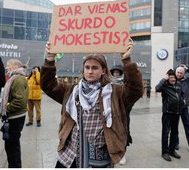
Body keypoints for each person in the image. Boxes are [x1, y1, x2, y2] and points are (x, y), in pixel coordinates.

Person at [41, 38, 143, 167]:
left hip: (99, 156)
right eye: (87, 67)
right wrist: (49, 60)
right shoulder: (71, 90)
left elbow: (136, 90)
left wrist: (127, 61)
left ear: (103, 71)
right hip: (70, 153)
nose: (90, 71)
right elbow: (48, 86)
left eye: (95, 68)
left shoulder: (115, 92)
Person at [0, 59, 28, 168]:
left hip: (15, 117)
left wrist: (4, 108)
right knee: (12, 145)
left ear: (15, 66)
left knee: (12, 146)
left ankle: (14, 166)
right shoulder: (16, 77)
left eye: (8, 65)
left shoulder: (17, 79)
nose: (6, 67)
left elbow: (19, 102)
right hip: (15, 117)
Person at [156, 69, 184, 162]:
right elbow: (157, 88)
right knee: (165, 133)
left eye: (174, 77)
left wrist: (183, 101)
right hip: (167, 113)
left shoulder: (179, 85)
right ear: (168, 78)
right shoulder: (164, 85)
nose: (173, 79)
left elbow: (182, 95)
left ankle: (172, 151)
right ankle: (165, 152)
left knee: (175, 133)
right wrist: (164, 78)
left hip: (177, 113)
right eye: (171, 77)